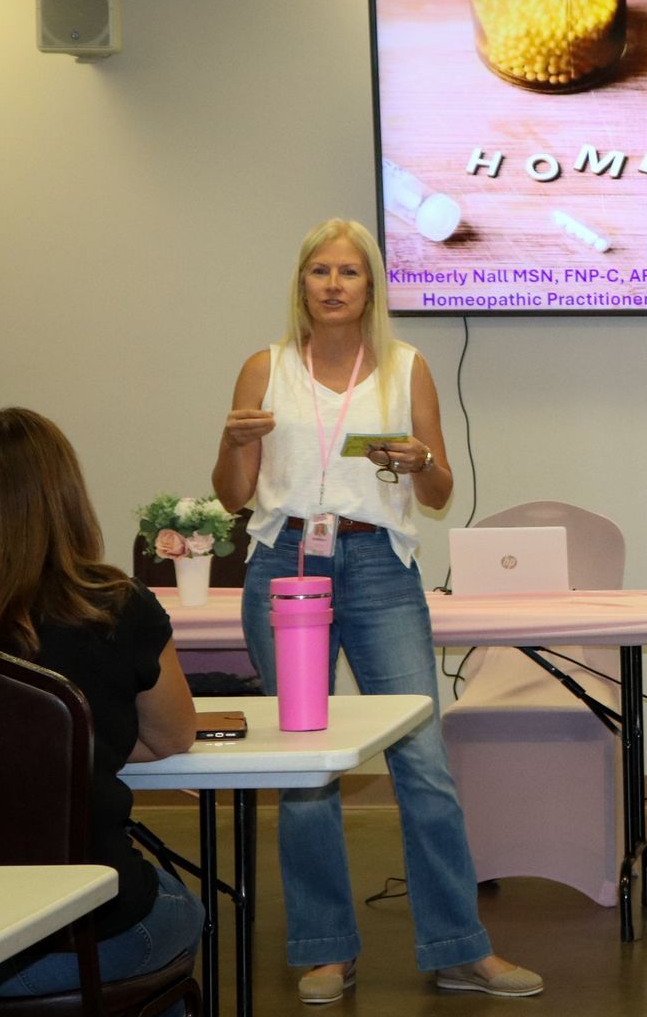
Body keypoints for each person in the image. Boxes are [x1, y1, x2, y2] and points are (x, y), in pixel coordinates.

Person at [211, 217, 540, 1003]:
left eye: (348, 272)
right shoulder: (266, 367)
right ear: (302, 284)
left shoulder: (406, 367)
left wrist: (422, 461)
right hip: (286, 562)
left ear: (369, 287)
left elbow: (438, 493)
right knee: (305, 767)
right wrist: (230, 440)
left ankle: (460, 946)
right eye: (319, 271)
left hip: (380, 567)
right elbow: (231, 495)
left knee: (421, 762)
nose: (332, 284)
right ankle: (325, 947)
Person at [0, 408, 204, 1004]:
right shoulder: (116, 606)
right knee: (186, 909)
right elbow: (172, 738)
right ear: (67, 497)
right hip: (84, 941)